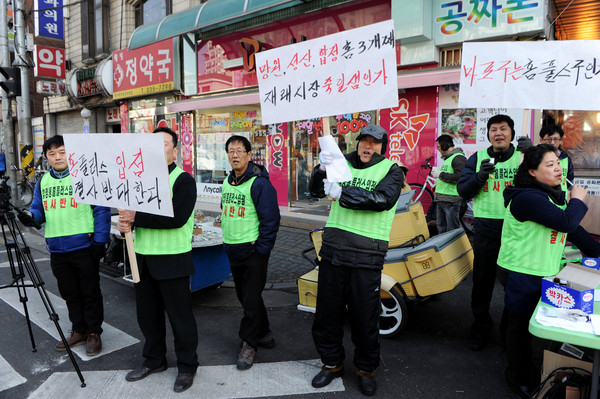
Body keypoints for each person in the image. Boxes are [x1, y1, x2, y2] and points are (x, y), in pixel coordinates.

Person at [497, 144, 600, 397]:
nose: (557, 168)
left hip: (542, 269)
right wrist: (577, 199)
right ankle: (517, 376)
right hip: (521, 270)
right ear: (532, 171)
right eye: (550, 164)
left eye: (558, 163)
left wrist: (597, 253)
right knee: (519, 326)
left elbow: (572, 230)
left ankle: (525, 363)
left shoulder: (550, 195)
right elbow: (566, 221)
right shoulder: (527, 197)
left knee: (525, 321)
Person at [309, 125, 404, 396]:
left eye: (375, 143)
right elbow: (316, 192)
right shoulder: (340, 162)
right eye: (364, 140)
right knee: (327, 314)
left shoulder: (392, 170)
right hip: (335, 251)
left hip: (367, 254)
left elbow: (383, 199)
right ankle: (331, 364)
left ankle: (366, 369)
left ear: (382, 147)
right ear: (358, 142)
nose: (368, 146)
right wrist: (319, 170)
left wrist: (343, 194)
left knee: (365, 317)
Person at [118, 127, 198, 393]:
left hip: (172, 260)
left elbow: (176, 217)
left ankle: (187, 366)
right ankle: (154, 360)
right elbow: (130, 216)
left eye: (164, 144)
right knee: (148, 317)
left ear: (175, 151)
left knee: (180, 318)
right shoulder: (138, 178)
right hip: (142, 259)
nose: (158, 148)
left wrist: (135, 217)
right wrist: (125, 224)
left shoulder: (182, 180)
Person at [22, 135, 109, 356]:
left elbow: (101, 209)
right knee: (69, 293)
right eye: (52, 153)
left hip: (84, 245)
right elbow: (38, 211)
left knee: (90, 291)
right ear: (45, 157)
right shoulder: (43, 182)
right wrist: (30, 217)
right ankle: (79, 330)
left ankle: (93, 333)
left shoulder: (86, 176)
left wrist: (100, 241)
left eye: (62, 152)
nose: (57, 157)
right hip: (57, 248)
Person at [457, 114, 532, 351]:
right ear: (487, 134)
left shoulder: (523, 157)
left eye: (503, 129)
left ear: (511, 132)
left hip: (516, 230)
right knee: (482, 283)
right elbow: (462, 190)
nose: (498, 133)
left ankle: (508, 332)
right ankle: (480, 328)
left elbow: (540, 184)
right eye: (493, 129)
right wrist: (479, 177)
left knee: (514, 284)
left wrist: (531, 156)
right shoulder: (477, 157)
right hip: (486, 230)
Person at [221, 135, 280, 371]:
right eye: (231, 151)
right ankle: (264, 332)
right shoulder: (227, 181)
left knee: (251, 299)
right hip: (233, 249)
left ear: (248, 154)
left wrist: (261, 251)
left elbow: (271, 220)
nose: (234, 155)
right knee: (245, 297)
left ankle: (249, 343)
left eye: (239, 150)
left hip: (253, 252)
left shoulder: (259, 183)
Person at [431, 135, 466, 233]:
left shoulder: (458, 158)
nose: (438, 149)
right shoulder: (448, 158)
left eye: (438, 147)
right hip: (443, 199)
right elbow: (448, 176)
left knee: (451, 230)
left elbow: (459, 177)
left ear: (444, 146)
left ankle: (453, 249)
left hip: (451, 200)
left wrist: (440, 174)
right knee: (441, 228)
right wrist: (438, 184)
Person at [539, 124, 574, 191]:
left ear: (560, 141)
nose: (552, 143)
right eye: (549, 139)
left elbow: (569, 182)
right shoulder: (534, 156)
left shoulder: (566, 159)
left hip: (561, 198)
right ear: (541, 140)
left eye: (556, 139)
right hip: (541, 197)